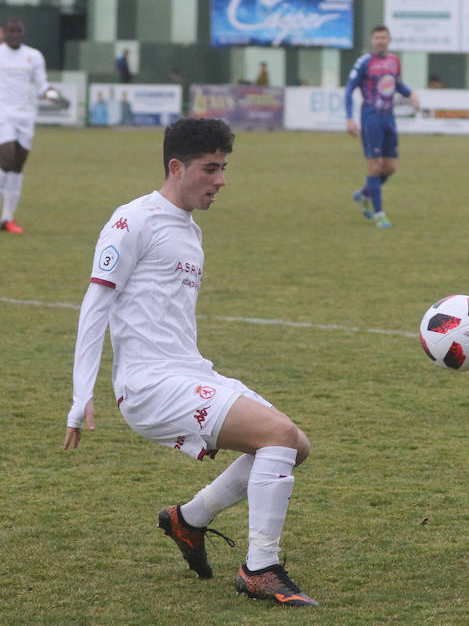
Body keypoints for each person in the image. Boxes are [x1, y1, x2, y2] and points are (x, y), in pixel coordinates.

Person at [63, 118, 319, 609]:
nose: (221, 180)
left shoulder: (190, 230)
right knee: (279, 437)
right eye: (211, 169)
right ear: (176, 167)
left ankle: (189, 519)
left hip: (188, 372)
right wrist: (81, 396)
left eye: (224, 168)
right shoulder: (131, 220)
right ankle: (259, 568)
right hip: (149, 385)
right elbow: (96, 303)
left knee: (295, 446)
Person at [344, 25, 420, 229]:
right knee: (375, 166)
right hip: (371, 118)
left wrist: (411, 93)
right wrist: (349, 118)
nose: (380, 40)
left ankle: (363, 194)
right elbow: (349, 89)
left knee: (390, 168)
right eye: (376, 37)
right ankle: (379, 213)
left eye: (383, 37)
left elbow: (398, 85)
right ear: (372, 40)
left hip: (389, 118)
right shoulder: (364, 62)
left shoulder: (394, 61)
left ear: (389, 40)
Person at [0, 17, 58, 234]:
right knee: (6, 158)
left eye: (19, 31)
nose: (15, 34)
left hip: (25, 117)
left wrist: (50, 93)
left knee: (17, 166)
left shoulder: (33, 56)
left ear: (23, 33)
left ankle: (7, 219)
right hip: (2, 114)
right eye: (11, 31)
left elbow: (42, 83)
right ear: (4, 33)